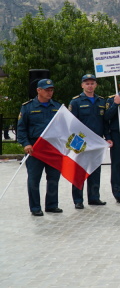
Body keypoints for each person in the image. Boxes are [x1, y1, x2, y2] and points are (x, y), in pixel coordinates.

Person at [17, 79, 62, 216]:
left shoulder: (58, 107)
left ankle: (52, 205)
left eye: (51, 90)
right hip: (35, 148)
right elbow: (21, 129)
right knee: (34, 179)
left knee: (53, 178)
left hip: (53, 148)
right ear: (38, 90)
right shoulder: (28, 107)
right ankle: (35, 207)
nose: (50, 92)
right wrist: (26, 144)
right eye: (47, 90)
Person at [68, 74, 107, 209]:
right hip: (81, 141)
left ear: (96, 85)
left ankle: (94, 197)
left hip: (96, 141)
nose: (90, 86)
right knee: (79, 171)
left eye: (92, 83)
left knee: (95, 170)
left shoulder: (101, 101)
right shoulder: (76, 102)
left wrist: (108, 138)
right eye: (87, 83)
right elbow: (71, 124)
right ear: (82, 85)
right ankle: (78, 200)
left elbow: (105, 122)